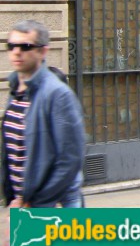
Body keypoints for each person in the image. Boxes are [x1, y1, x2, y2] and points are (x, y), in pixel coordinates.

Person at [2, 20, 85, 209]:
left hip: (53, 203)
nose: (17, 51)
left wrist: (35, 201)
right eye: (11, 46)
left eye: (26, 46)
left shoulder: (57, 94)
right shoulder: (16, 88)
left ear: (43, 51)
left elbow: (70, 159)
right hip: (23, 201)